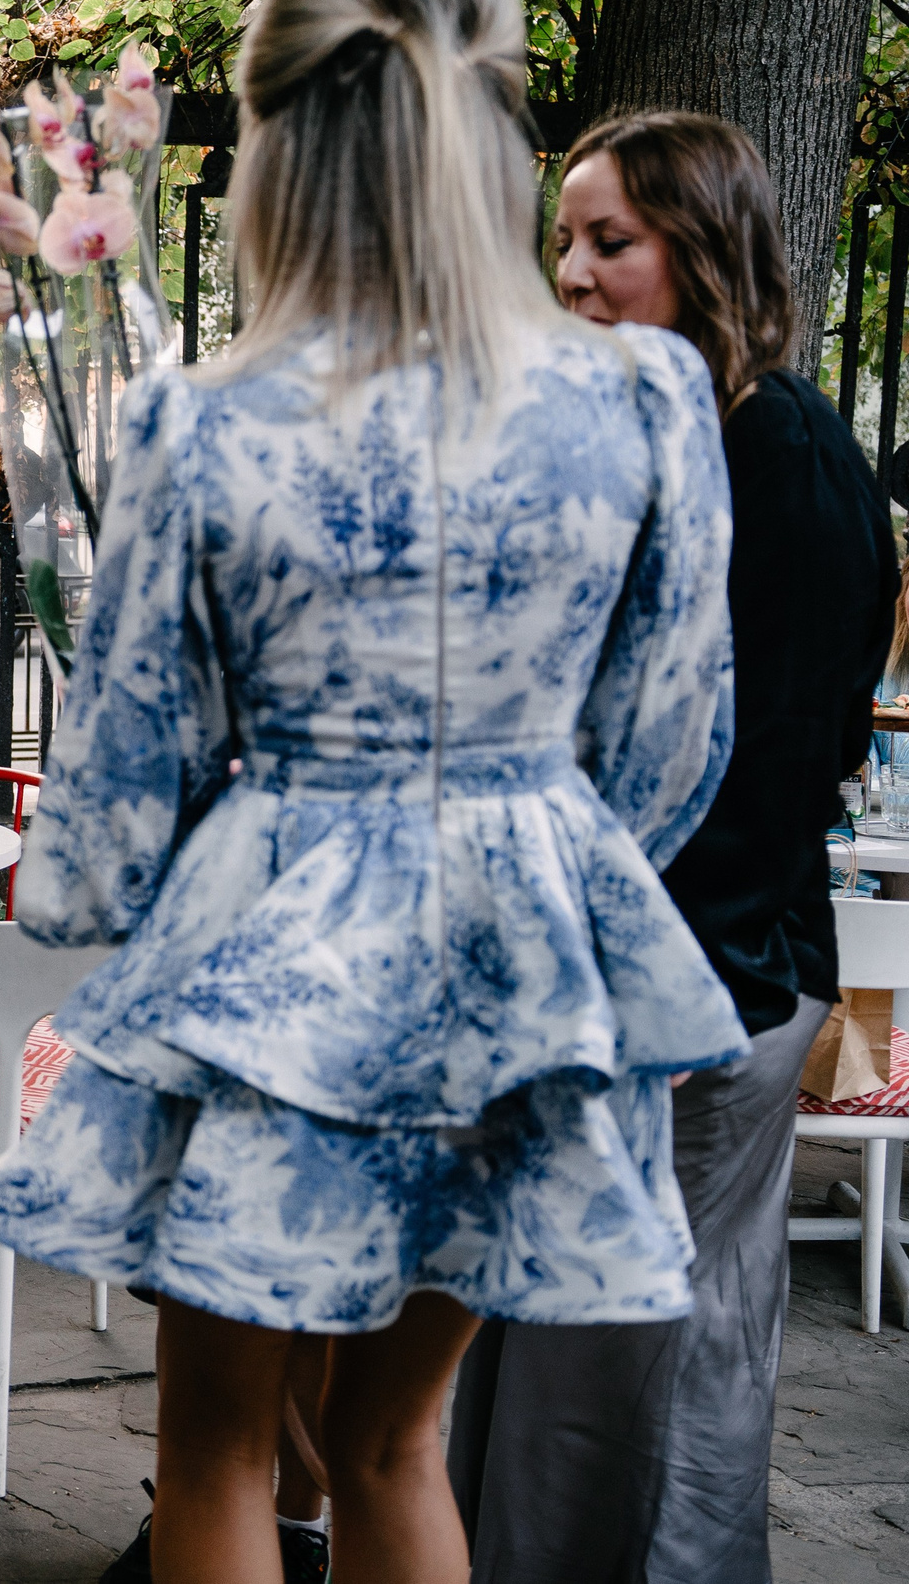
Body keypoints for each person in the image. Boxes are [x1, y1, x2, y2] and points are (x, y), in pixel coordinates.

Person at [0, 0, 748, 1584]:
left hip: (268, 963)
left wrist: (92, 905)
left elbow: (115, 790)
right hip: (524, 966)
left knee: (220, 1451)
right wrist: (533, 850)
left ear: (276, 156)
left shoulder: (209, 417)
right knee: (395, 1443)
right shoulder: (650, 397)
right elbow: (674, 743)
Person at [446, 110, 896, 1584]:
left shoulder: (788, 460)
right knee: (546, 1360)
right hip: (592, 982)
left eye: (610, 242)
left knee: (637, 1390)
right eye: (564, 238)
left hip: (704, 991)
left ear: (704, 254)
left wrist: (669, 983)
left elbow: (778, 763)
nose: (571, 271)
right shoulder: (650, 426)